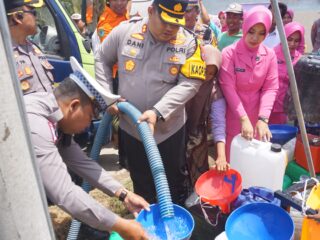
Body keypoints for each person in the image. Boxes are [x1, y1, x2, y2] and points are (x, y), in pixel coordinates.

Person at [24, 57, 150, 240]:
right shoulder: (36, 124)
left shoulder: (55, 114)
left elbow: (81, 162)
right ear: (74, 106)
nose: (88, 125)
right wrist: (122, 226)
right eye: (90, 116)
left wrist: (125, 194)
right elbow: (64, 193)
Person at [95, 0, 206, 205]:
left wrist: (158, 111)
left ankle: (174, 227)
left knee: (173, 182)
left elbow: (191, 84)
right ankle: (146, 226)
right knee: (141, 180)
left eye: (176, 23)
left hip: (169, 130)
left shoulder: (189, 42)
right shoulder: (125, 32)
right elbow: (101, 57)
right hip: (132, 127)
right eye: (165, 22)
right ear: (150, 11)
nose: (171, 29)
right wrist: (107, 96)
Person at [219, 6, 279, 162]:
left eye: (261, 33)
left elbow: (270, 88)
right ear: (245, 28)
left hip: (258, 113)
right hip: (234, 112)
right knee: (234, 157)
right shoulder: (229, 53)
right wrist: (243, 118)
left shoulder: (269, 55)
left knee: (256, 159)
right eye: (251, 31)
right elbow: (228, 87)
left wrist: (263, 118)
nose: (255, 38)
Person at [5, 0, 54, 95]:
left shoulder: (34, 49)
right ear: (17, 17)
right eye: (33, 12)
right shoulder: (4, 56)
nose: (37, 17)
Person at [269, 22, 304, 124]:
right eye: (289, 39)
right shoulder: (271, 54)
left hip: (286, 108)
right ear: (283, 36)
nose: (292, 44)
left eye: (296, 41)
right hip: (268, 104)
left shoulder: (299, 59)